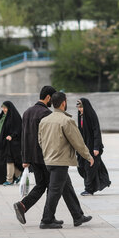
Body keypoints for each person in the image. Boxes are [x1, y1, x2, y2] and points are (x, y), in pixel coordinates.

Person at [38, 92, 94, 229]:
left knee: (67, 189)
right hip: (60, 161)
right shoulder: (66, 121)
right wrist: (88, 156)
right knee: (54, 191)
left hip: (49, 160)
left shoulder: (45, 120)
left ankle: (78, 216)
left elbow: (40, 140)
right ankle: (46, 220)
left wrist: (47, 153)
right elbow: (78, 142)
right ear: (63, 103)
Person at [13, 86, 58, 225]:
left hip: (32, 157)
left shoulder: (27, 112)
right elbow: (48, 138)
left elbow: (24, 137)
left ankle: (23, 205)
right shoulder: (46, 113)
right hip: (45, 157)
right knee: (52, 186)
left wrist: (25, 159)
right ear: (48, 97)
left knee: (42, 184)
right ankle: (48, 218)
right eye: (52, 98)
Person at [76, 98, 111, 196]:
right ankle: (101, 182)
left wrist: (96, 147)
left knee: (89, 167)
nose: (79, 110)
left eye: (81, 108)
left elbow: (96, 131)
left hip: (92, 146)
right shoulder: (81, 116)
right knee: (84, 166)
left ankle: (89, 189)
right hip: (84, 146)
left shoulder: (91, 115)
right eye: (78, 108)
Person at [0, 100, 23, 186]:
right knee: (11, 160)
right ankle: (18, 174)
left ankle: (9, 180)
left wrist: (12, 136)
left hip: (14, 143)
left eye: (5, 108)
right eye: (2, 108)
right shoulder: (2, 117)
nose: (4, 109)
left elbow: (18, 129)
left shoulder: (15, 117)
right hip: (5, 142)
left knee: (10, 160)